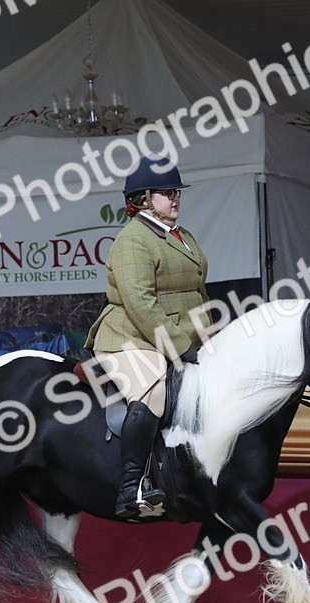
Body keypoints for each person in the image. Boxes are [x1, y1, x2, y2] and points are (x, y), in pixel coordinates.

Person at [86, 155, 210, 519]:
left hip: (177, 335)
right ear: (142, 199)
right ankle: (131, 489)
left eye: (177, 192)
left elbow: (197, 293)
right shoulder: (132, 241)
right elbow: (141, 304)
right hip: (128, 337)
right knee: (154, 388)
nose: (175, 199)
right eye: (167, 193)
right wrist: (180, 345)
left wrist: (209, 337)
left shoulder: (182, 237)